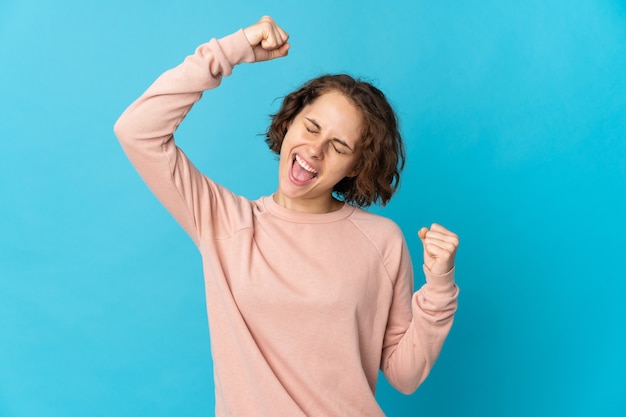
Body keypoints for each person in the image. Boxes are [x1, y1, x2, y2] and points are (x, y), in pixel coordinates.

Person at [114, 15, 459, 417]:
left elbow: (405, 374)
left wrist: (439, 288)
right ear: (290, 121)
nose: (315, 150)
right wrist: (230, 51)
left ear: (354, 167)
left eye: (338, 146)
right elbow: (137, 130)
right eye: (311, 127)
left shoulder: (381, 240)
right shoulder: (224, 223)